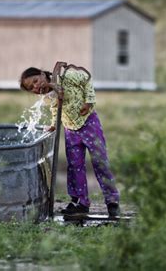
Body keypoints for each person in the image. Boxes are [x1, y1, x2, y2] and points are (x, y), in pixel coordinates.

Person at [20, 65, 120, 217]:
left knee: (100, 162)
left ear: (41, 74)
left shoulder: (65, 76)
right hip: (70, 130)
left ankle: (112, 201)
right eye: (31, 87)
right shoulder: (47, 96)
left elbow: (86, 80)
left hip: (88, 123)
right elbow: (55, 108)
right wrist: (54, 124)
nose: (36, 86)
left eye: (35, 80)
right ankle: (80, 202)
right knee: (74, 166)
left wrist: (89, 102)